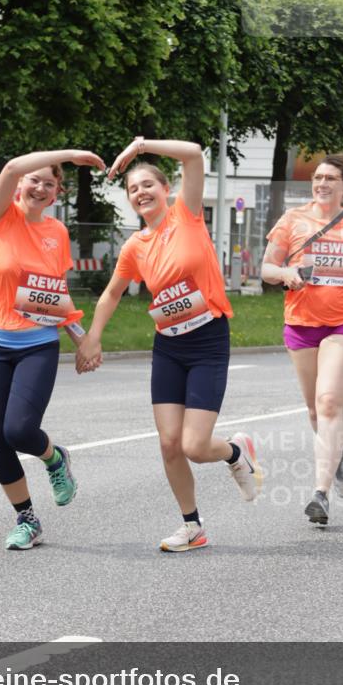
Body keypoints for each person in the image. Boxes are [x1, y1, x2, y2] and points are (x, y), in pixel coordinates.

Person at [76, 137, 262, 553]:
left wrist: (140, 147)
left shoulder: (188, 215)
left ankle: (235, 452)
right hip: (169, 346)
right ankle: (192, 526)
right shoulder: (135, 247)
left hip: (208, 339)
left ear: (166, 190)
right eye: (132, 190)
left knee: (195, 446)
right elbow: (110, 294)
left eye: (147, 185)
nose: (140, 192)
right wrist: (93, 336)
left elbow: (194, 153)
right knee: (168, 443)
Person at [0, 148, 105, 550]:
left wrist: (81, 338)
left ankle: (54, 458)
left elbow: (55, 293)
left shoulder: (57, 234)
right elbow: (11, 166)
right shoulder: (0, 217)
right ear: (20, 185)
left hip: (37, 345)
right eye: (35, 179)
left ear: (56, 194)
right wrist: (73, 154)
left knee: (18, 429)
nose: (40, 186)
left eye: (50, 183)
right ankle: (27, 518)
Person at [260, 154, 343, 526]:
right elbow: (266, 268)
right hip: (301, 323)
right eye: (317, 177)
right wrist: (285, 274)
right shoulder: (292, 221)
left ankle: (320, 494)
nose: (322, 183)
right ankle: (339, 452)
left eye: (331, 178)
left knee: (329, 402)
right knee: (315, 411)